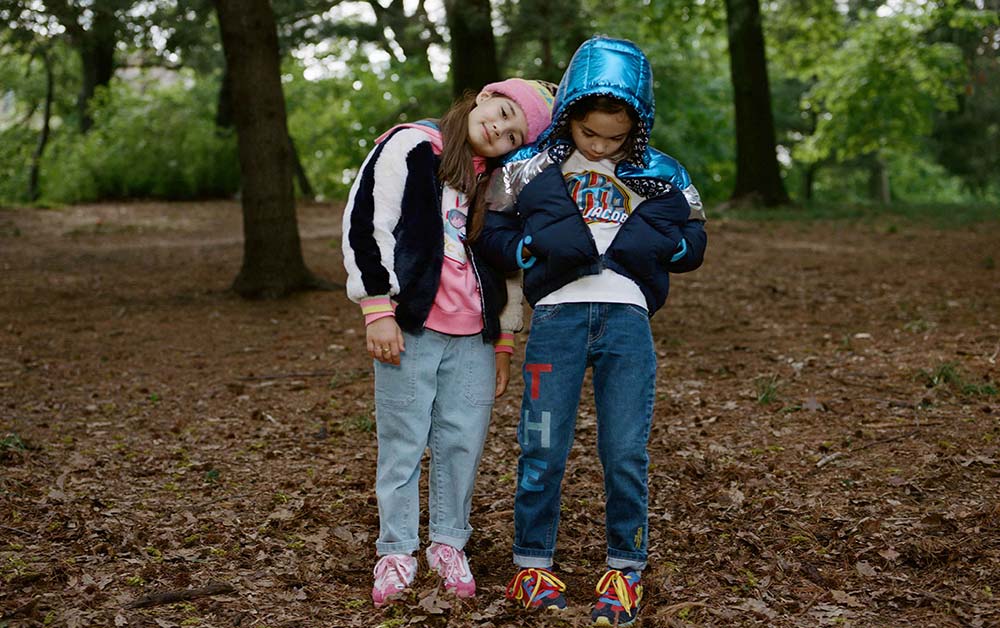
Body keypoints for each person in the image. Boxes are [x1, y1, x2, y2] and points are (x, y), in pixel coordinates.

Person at [471, 36, 707, 626]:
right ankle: (532, 564)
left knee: (625, 449)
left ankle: (625, 569)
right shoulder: (529, 167)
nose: (600, 146)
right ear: (570, 113)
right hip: (557, 321)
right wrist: (524, 247)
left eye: (614, 137)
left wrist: (675, 247)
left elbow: (695, 235)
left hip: (627, 321)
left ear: (637, 124)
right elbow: (491, 230)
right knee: (543, 444)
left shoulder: (662, 171)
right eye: (589, 133)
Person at [341, 78, 555, 608]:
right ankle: (395, 550)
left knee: (462, 443)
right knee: (404, 442)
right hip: (410, 325)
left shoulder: (500, 182)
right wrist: (376, 309)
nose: (500, 130)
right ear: (484, 97)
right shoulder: (412, 146)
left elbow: (508, 264)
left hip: (474, 337)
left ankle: (447, 544)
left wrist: (504, 336)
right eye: (502, 112)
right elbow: (368, 221)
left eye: (512, 134)